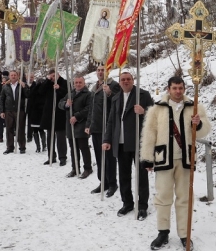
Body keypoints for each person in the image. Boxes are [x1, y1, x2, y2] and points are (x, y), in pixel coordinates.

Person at [140, 76, 211, 250]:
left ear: (184, 88)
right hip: (163, 158)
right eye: (174, 88)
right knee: (163, 197)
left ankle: (184, 234)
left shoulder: (194, 108)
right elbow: (149, 134)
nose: (178, 91)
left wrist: (198, 123)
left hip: (185, 159)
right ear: (168, 89)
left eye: (180, 88)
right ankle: (163, 232)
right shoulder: (157, 109)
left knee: (184, 198)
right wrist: (147, 158)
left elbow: (204, 130)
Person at [102, 71, 154, 220]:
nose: (126, 81)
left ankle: (142, 205)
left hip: (138, 142)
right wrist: (107, 139)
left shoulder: (142, 95)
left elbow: (155, 116)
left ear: (133, 80)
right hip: (121, 142)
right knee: (124, 175)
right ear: (119, 82)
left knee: (141, 176)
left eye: (128, 79)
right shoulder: (116, 97)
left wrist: (144, 112)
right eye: (123, 79)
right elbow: (111, 121)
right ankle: (127, 203)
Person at [85, 65, 120, 196]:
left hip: (107, 128)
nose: (100, 72)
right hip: (96, 128)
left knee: (109, 158)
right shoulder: (94, 88)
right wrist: (88, 124)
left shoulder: (114, 85)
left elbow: (119, 101)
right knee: (99, 157)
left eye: (103, 70)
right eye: (98, 70)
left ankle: (112, 183)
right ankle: (102, 181)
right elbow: (91, 109)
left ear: (107, 71)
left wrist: (110, 93)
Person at [59, 76, 93, 178]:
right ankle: (75, 168)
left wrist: (77, 116)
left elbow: (89, 108)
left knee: (83, 147)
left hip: (82, 124)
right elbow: (60, 103)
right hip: (70, 125)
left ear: (84, 83)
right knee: (73, 148)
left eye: (80, 82)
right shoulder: (70, 93)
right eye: (76, 82)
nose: (78, 84)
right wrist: (66, 104)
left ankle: (88, 168)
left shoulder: (88, 94)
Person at [40, 69, 69, 165]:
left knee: (61, 137)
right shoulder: (48, 83)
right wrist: (47, 81)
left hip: (60, 113)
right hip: (49, 113)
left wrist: (59, 88)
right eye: (51, 76)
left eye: (54, 75)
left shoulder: (64, 82)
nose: (52, 78)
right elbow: (41, 92)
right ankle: (51, 156)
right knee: (50, 137)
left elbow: (68, 94)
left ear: (58, 74)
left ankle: (62, 157)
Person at [0, 70, 28, 154]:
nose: (13, 76)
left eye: (15, 75)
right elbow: (1, 99)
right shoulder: (5, 86)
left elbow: (28, 95)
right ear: (9, 76)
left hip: (20, 110)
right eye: (11, 75)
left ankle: (22, 147)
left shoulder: (21, 85)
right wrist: (1, 111)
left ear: (17, 76)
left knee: (20, 129)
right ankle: (10, 147)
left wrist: (25, 87)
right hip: (9, 110)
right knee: (9, 129)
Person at [27, 72, 49, 153]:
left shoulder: (33, 91)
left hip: (33, 113)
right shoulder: (44, 93)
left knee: (35, 130)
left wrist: (28, 112)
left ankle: (38, 147)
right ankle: (44, 146)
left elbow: (29, 102)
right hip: (41, 113)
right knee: (41, 130)